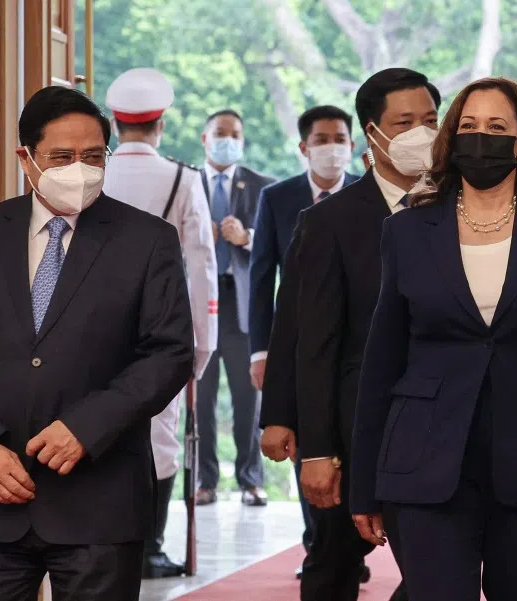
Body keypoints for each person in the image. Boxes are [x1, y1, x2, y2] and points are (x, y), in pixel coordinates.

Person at [349, 77, 517, 601]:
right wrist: (364, 483)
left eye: (496, 127)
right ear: (450, 139)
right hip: (426, 458)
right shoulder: (408, 229)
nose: (481, 138)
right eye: (468, 126)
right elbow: (382, 361)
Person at [0, 86, 194, 601]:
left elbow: (169, 353)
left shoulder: (147, 240)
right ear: (26, 158)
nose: (80, 169)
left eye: (93, 156)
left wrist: (87, 428)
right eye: (62, 157)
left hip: (101, 500)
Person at [293, 67, 439, 601]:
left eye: (430, 120)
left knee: (436, 571)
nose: (421, 134)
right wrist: (317, 449)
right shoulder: (330, 222)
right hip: (355, 428)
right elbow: (315, 343)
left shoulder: (464, 209)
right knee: (333, 565)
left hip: (441, 425)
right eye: (405, 123)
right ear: (372, 133)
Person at [102, 67, 219, 579]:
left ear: (113, 121)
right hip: (159, 329)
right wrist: (201, 342)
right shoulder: (182, 178)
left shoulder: (94, 172)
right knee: (159, 436)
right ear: (161, 125)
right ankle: (148, 546)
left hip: (90, 326)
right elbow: (201, 266)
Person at [254, 104, 359, 580]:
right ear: (304, 147)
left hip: (355, 346)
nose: (331, 148)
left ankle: (347, 545)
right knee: (310, 442)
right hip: (298, 345)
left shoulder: (368, 196)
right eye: (322, 139)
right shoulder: (278, 198)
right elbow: (262, 280)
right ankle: (319, 535)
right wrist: (262, 351)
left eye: (340, 138)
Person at [197, 109, 274, 507]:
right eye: (221, 133)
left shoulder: (262, 186)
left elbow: (281, 244)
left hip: (243, 302)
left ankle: (250, 479)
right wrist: (198, 236)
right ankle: (204, 481)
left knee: (249, 398)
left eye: (236, 134)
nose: (229, 139)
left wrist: (247, 237)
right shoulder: (187, 184)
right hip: (199, 304)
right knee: (201, 397)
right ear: (204, 139)